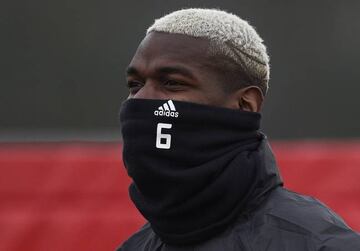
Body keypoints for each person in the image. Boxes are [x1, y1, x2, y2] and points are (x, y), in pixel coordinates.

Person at [117, 8, 360, 250]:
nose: (140, 100)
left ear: (245, 104)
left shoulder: (318, 244)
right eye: (135, 85)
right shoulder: (134, 246)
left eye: (172, 83)